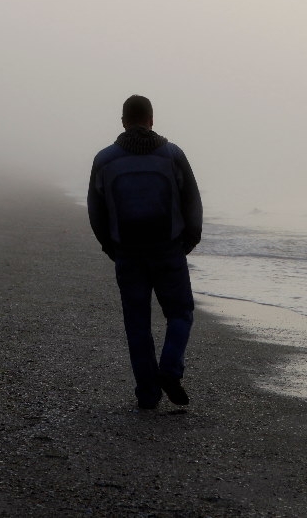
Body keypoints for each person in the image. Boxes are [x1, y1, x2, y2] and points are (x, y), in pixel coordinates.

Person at [87, 95, 203, 409]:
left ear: (123, 121)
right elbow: (192, 200)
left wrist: (111, 247)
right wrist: (188, 241)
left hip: (128, 253)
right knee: (180, 314)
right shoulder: (172, 154)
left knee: (137, 324)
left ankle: (148, 394)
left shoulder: (105, 160)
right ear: (152, 120)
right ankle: (169, 368)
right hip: (168, 250)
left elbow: (96, 211)